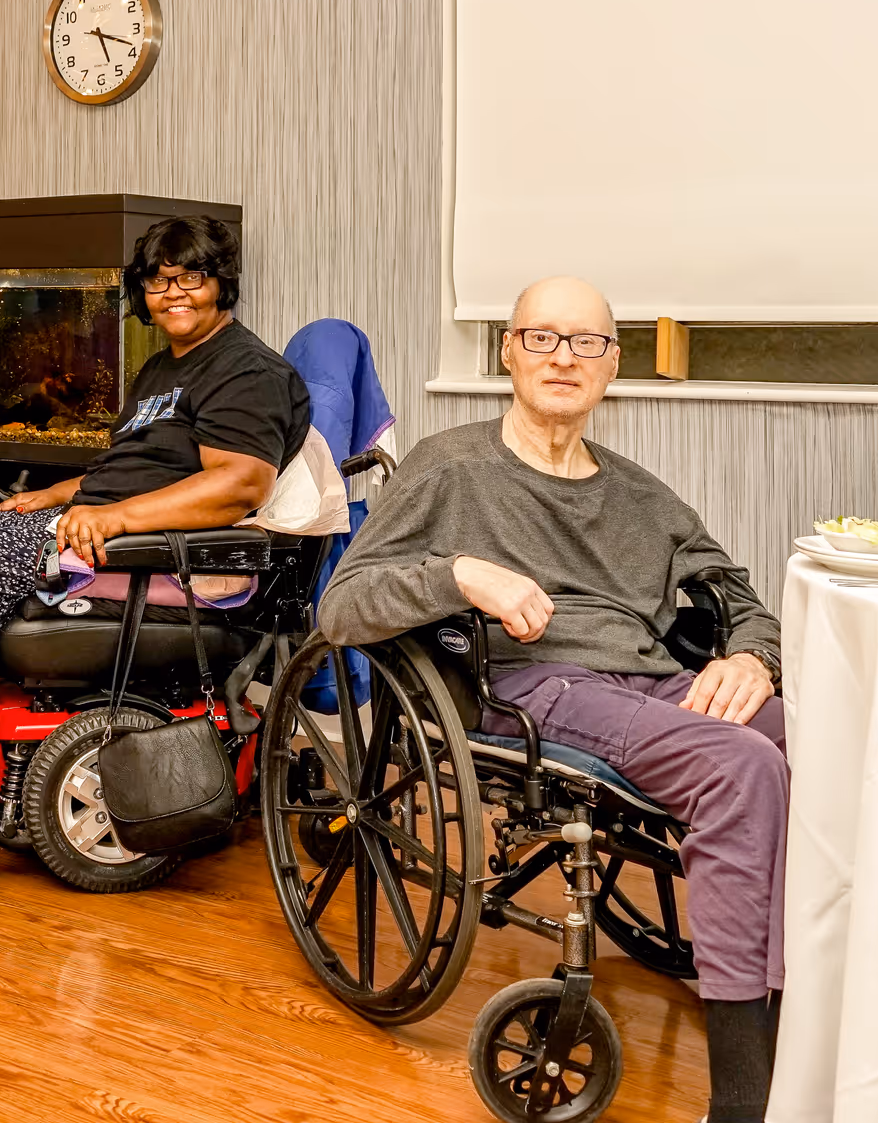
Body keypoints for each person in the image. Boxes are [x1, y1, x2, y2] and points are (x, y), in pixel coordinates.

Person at [318, 276, 784, 1123]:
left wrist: (755, 656)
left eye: (586, 343)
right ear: (507, 350)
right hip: (532, 684)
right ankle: (746, 1087)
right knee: (741, 768)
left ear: (613, 365)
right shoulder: (451, 468)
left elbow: (736, 594)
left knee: (821, 743)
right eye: (541, 338)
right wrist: (461, 573)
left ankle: (809, 997)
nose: (563, 357)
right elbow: (342, 607)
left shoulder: (642, 494)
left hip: (654, 680)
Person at [0, 215, 311, 813]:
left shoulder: (245, 370)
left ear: (222, 284)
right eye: (159, 282)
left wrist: (114, 519)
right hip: (108, 527)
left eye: (191, 277)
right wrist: (53, 496)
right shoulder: (163, 368)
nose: (174, 293)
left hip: (161, 557)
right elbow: (135, 470)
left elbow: (239, 486)